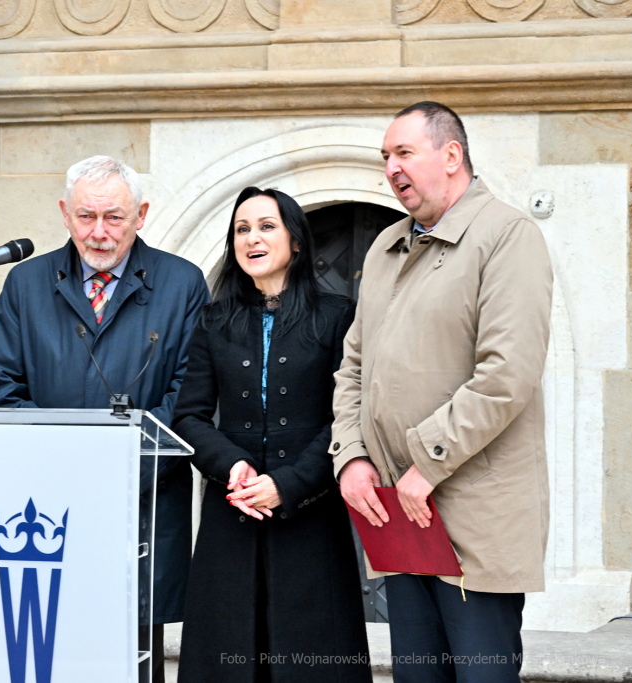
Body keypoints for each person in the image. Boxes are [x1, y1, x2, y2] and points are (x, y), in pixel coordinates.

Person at [333, 102, 553, 683]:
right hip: (401, 520)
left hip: (474, 524)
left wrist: (427, 463)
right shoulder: (385, 247)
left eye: (404, 152)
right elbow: (353, 368)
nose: (391, 167)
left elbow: (507, 373)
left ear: (452, 155)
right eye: (386, 156)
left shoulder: (507, 235)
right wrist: (350, 456)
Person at [0, 155, 210, 681]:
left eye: (114, 217)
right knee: (52, 656)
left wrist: (117, 475)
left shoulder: (182, 284)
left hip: (142, 506)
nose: (99, 232)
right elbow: (1, 389)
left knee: (134, 659)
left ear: (141, 216)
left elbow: (190, 397)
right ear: (65, 213)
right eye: (86, 217)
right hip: (47, 508)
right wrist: (67, 473)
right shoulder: (26, 283)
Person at [172, 187, 370, 683]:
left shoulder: (337, 316)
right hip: (231, 516)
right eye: (242, 229)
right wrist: (232, 467)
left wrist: (289, 483)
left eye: (266, 226)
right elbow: (189, 417)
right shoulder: (214, 321)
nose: (251, 238)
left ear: (296, 241)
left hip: (311, 518)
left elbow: (349, 416)